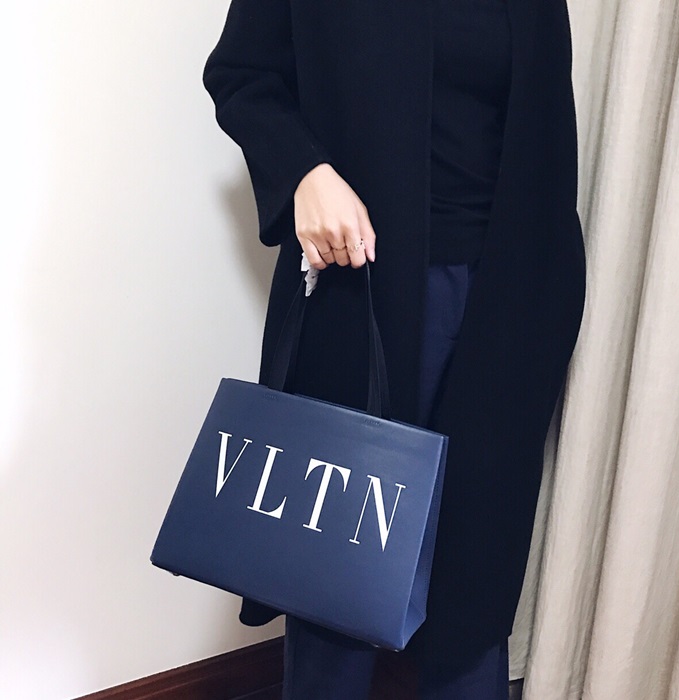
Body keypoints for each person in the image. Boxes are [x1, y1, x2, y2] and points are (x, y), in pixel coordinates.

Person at [203, 0, 586, 698]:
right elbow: (241, 74)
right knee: (336, 575)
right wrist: (305, 172)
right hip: (363, 295)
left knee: (473, 587)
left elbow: (544, 134)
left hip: (504, 302)